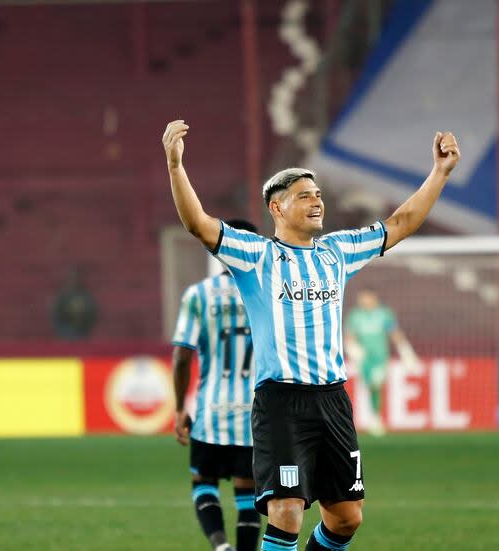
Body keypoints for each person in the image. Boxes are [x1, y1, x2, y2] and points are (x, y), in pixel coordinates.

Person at [163, 119, 460, 551]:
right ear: (277, 208)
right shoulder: (257, 256)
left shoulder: (337, 251)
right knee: (286, 512)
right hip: (282, 400)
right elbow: (198, 224)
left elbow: (403, 221)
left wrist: (440, 172)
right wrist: (176, 166)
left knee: (346, 519)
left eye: (318, 195)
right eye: (304, 196)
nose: (316, 201)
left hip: (332, 400)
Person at [171, 220, 262, 551]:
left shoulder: (198, 294)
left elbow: (182, 357)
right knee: (248, 491)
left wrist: (181, 407)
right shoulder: (267, 294)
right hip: (255, 413)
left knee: (203, 481)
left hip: (210, 410)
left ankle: (221, 546)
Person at [345, 289, 418, 436]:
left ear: (373, 298)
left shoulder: (384, 314)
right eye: (361, 298)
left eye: (366, 297)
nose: (363, 301)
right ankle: (372, 417)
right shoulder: (355, 316)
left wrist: (405, 351)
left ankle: (376, 420)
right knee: (369, 387)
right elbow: (349, 336)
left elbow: (394, 333)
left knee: (376, 384)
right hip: (364, 359)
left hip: (380, 358)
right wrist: (353, 349)